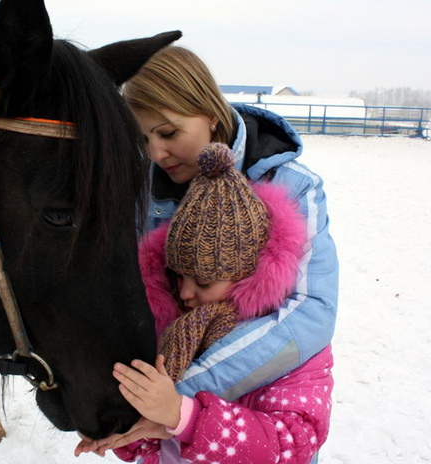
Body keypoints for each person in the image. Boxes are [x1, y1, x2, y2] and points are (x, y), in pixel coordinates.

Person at [76, 45, 338, 463]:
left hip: (234, 416)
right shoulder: (137, 189)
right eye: (142, 139)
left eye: (167, 133)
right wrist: (123, 412)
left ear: (209, 112)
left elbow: (311, 311)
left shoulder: (292, 187)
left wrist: (177, 402)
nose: (155, 154)